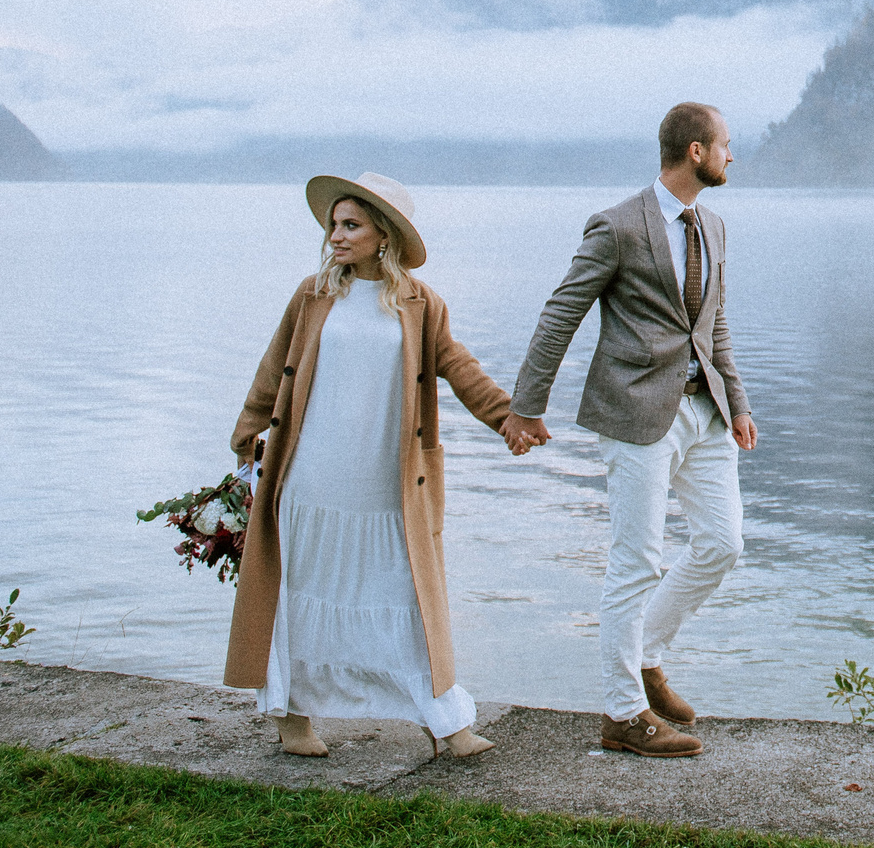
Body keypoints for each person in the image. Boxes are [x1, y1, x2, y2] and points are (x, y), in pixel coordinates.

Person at [223, 171, 520, 759]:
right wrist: (246, 436)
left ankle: (449, 726)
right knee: (301, 593)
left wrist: (508, 417)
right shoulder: (312, 296)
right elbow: (273, 369)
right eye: (334, 224)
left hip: (385, 484)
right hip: (310, 479)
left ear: (383, 235)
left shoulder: (418, 303)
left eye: (350, 225)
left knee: (406, 599)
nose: (336, 235)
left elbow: (456, 364)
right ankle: (293, 721)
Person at [504, 102, 756, 759]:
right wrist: (527, 405)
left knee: (723, 543)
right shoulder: (617, 226)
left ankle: (646, 653)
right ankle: (622, 712)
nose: (734, 154)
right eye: (727, 144)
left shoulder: (717, 227)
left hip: (706, 414)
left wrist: (739, 401)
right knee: (635, 560)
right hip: (636, 413)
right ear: (696, 151)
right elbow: (562, 312)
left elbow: (714, 327)